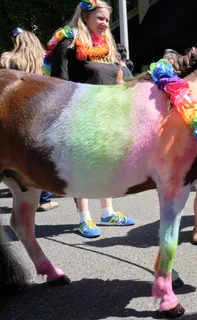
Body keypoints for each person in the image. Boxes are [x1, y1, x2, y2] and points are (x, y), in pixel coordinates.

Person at [46, 0, 135, 237]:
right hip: (80, 113)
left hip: (107, 113)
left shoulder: (108, 46)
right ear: (85, 16)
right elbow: (58, 83)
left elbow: (121, 79)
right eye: (100, 18)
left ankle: (108, 212)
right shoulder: (69, 43)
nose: (105, 24)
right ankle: (84, 218)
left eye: (107, 19)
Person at [0, 28, 60, 212]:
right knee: (39, 156)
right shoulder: (43, 60)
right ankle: (44, 198)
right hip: (39, 112)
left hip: (14, 113)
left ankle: (19, 189)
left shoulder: (7, 59)